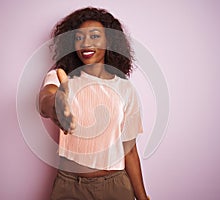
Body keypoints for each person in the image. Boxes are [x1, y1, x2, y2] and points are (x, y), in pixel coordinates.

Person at [39, 7, 150, 200]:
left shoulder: (125, 88)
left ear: (110, 42)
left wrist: (143, 197)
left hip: (115, 187)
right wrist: (56, 106)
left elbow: (129, 149)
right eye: (79, 37)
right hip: (69, 187)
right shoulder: (61, 77)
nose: (85, 43)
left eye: (95, 36)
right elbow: (45, 99)